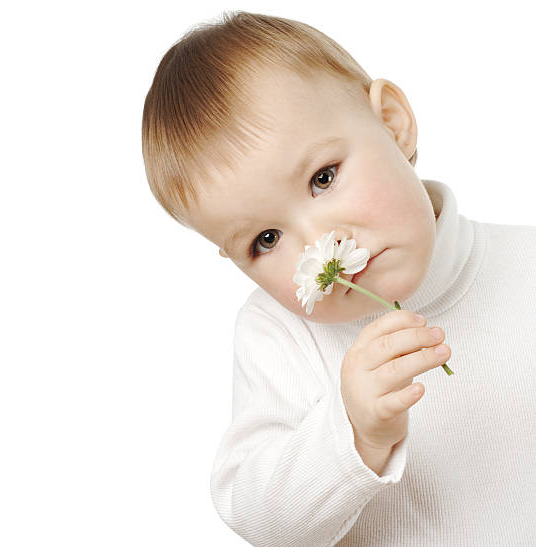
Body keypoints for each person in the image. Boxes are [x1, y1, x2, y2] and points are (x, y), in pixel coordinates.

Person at [141, 10, 536, 546]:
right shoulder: (279, 335)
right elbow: (260, 519)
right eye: (266, 240)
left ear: (393, 124)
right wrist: (351, 432)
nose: (320, 246)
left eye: (322, 179)